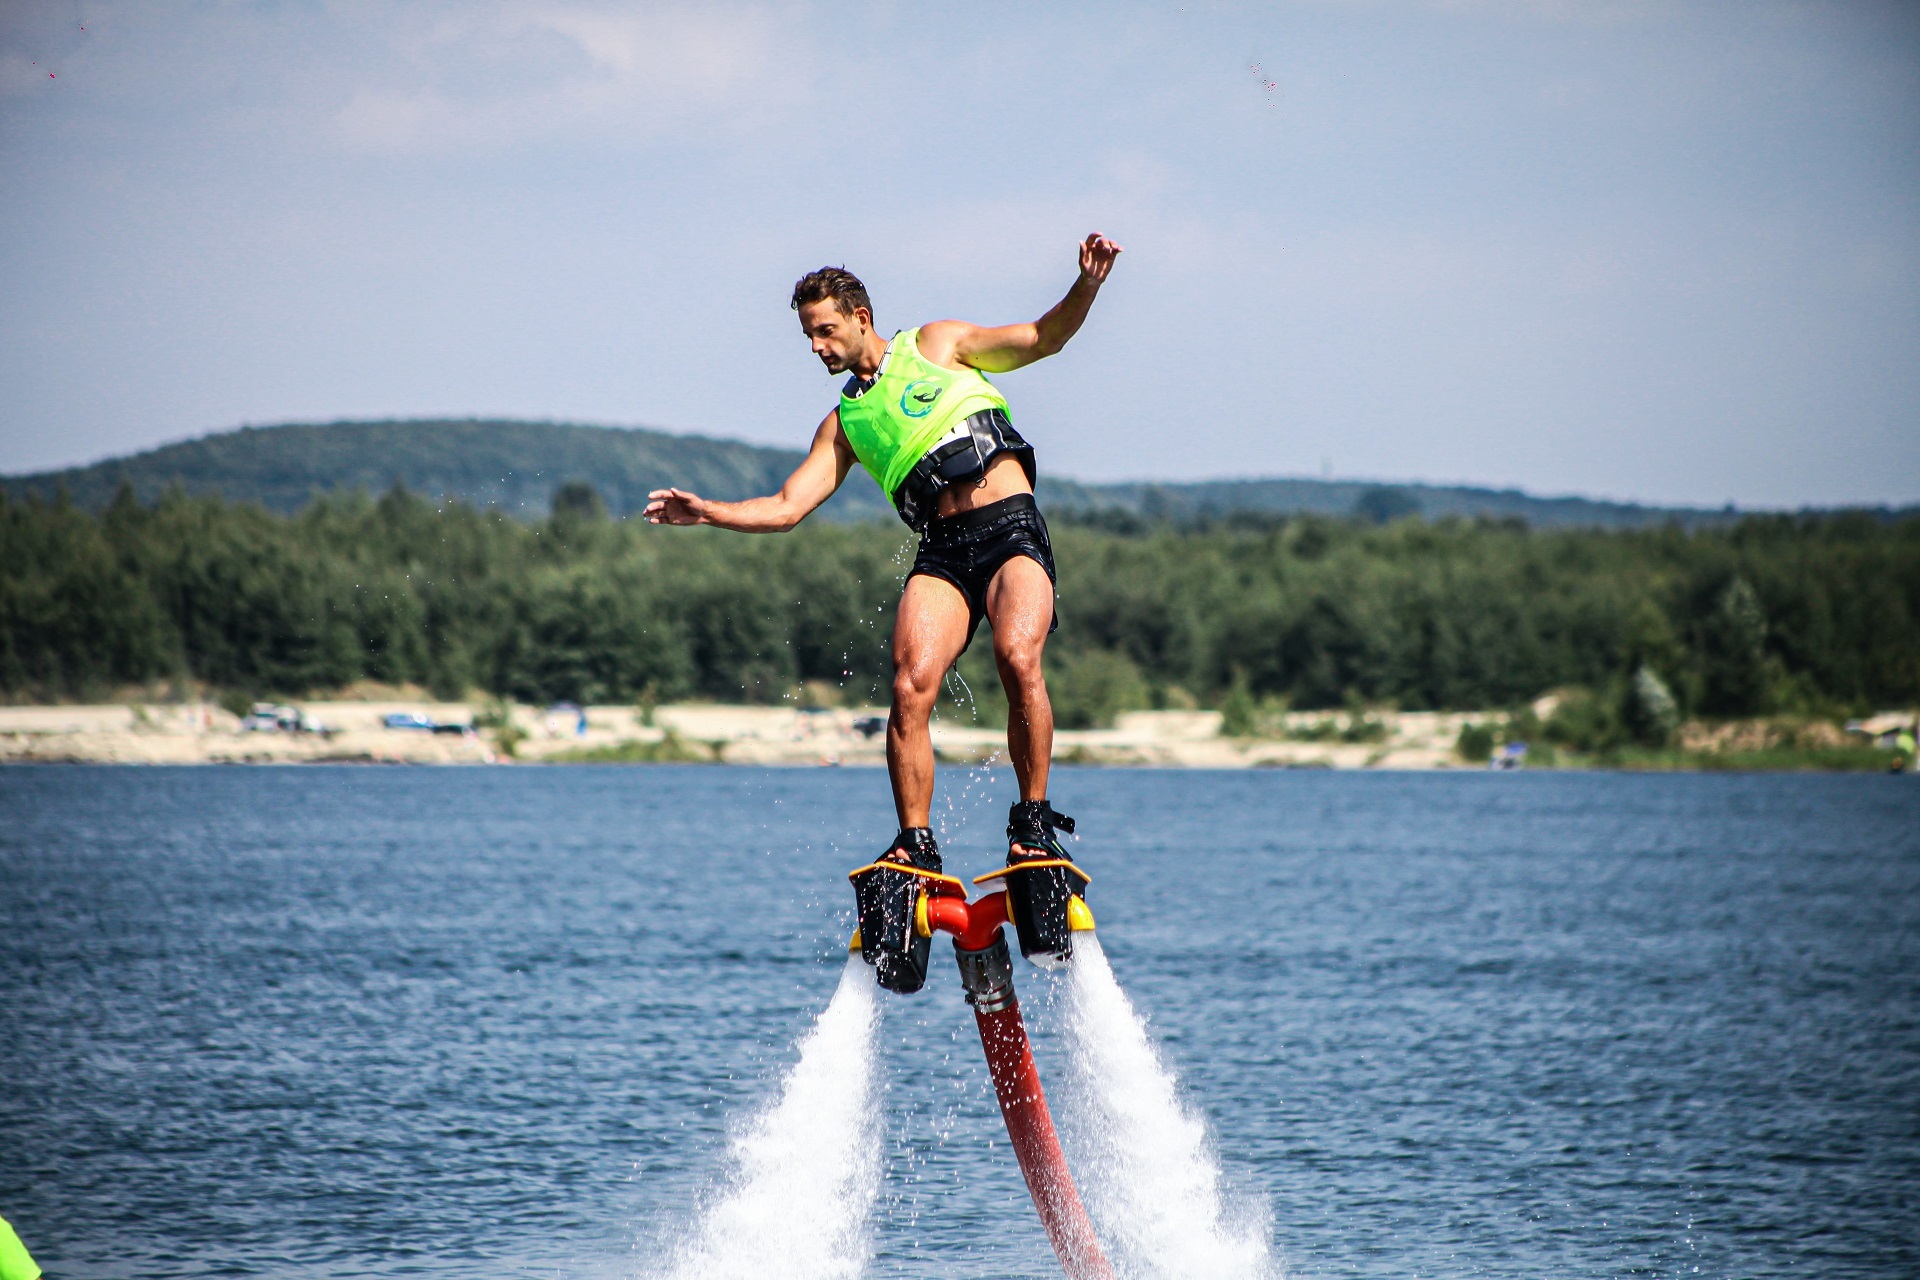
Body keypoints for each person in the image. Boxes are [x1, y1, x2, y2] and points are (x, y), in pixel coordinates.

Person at [644, 233, 1121, 887]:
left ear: (860, 319)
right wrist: (708, 511)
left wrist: (1087, 284)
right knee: (907, 687)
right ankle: (916, 846)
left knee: (1018, 657)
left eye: (825, 331)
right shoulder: (843, 423)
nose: (817, 347)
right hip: (944, 551)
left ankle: (1032, 825)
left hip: (1010, 529)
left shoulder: (938, 345)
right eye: (810, 336)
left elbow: (1043, 338)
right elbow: (787, 506)